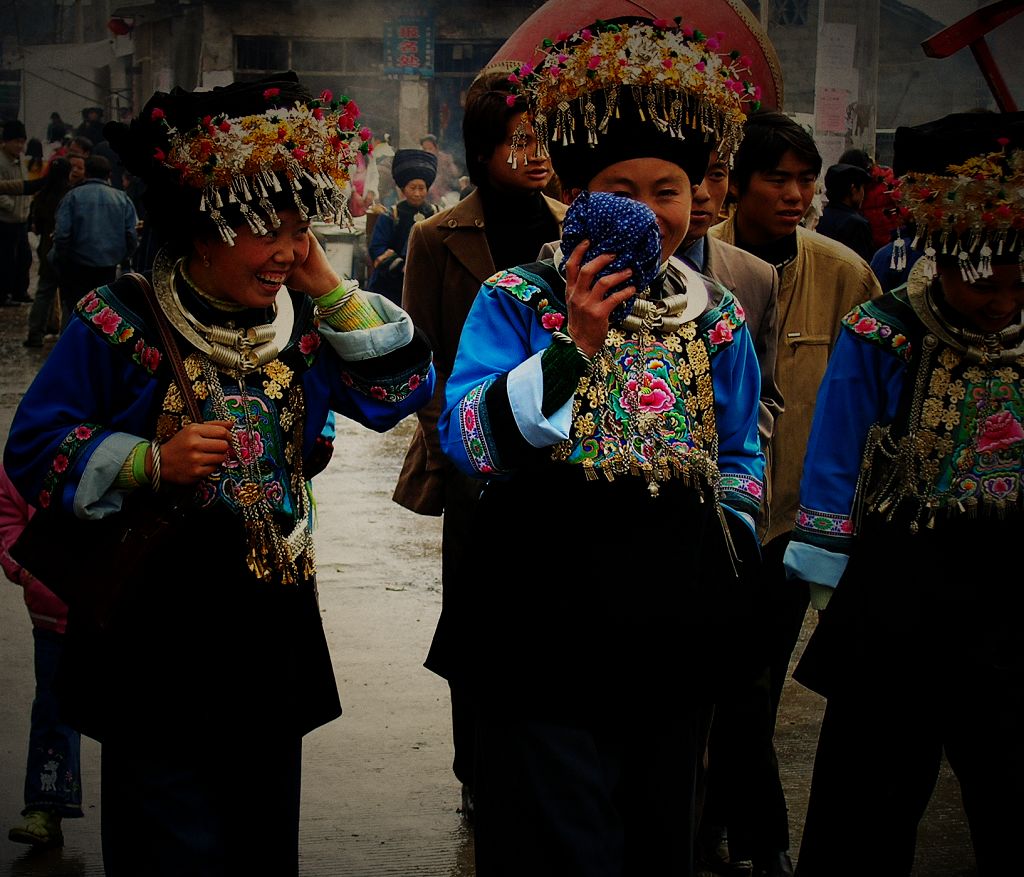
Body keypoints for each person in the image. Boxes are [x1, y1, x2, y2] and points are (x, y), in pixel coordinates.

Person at [2, 72, 434, 876]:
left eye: (299, 227)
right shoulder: (118, 320)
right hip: (153, 638)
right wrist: (145, 461)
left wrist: (332, 289)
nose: (286, 249)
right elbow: (32, 445)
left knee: (262, 845)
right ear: (200, 229)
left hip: (270, 637)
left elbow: (402, 392)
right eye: (264, 228)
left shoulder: (302, 330)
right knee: (165, 845)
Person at [428, 18, 765, 876]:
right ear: (576, 196)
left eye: (670, 190)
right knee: (560, 833)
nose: (651, 212)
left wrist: (726, 537)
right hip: (542, 597)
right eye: (623, 188)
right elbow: (466, 436)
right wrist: (572, 344)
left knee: (661, 827)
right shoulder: (518, 296)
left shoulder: (716, 314)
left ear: (698, 198)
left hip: (672, 601)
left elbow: (741, 448)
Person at [784, 111, 1024, 877]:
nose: (1000, 302)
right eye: (982, 280)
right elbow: (835, 452)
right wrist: (825, 564)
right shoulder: (881, 331)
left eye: (1019, 283)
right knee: (870, 792)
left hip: (1012, 586)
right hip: (901, 584)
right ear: (945, 256)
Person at [705, 110, 882, 876]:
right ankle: (731, 826)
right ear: (736, 183)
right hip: (703, 511)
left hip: (787, 524)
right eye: (777, 177)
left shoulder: (844, 273)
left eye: (805, 178)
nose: (797, 193)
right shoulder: (699, 263)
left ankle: (754, 834)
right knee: (710, 682)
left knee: (754, 682)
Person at [393, 65, 567, 822]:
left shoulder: (577, 223)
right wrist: (445, 446)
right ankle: (476, 764)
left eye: (542, 140)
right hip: (475, 462)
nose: (534, 155)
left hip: (566, 463)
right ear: (484, 147)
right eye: (518, 141)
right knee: (474, 614)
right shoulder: (438, 235)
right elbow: (419, 353)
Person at [1, 465, 83, 849]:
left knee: (129, 715)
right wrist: (24, 568)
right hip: (52, 614)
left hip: (117, 612)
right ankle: (45, 806)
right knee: (53, 710)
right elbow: (7, 513)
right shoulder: (30, 451)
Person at [678, 150, 783, 446]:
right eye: (685, 177)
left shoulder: (757, 277)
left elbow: (764, 399)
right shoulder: (563, 266)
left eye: (716, 175)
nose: (700, 192)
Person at [52, 154, 138, 328]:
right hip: (108, 268)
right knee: (103, 316)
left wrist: (61, 258)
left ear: (87, 173)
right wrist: (124, 257)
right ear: (109, 175)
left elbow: (61, 235)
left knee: (76, 314)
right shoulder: (122, 199)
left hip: (76, 267)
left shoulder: (72, 197)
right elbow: (132, 234)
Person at [366, 148, 439, 304]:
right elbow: (377, 248)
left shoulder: (435, 213)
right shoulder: (392, 215)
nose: (418, 193)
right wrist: (403, 268)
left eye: (422, 188)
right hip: (392, 286)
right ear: (403, 189)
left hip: (426, 285)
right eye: (413, 188)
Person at [24, 157, 73, 347]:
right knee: (68, 296)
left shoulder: (43, 195)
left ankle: (35, 334)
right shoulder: (70, 195)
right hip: (67, 252)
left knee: (44, 293)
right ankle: (66, 338)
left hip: (46, 249)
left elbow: (36, 226)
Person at [0, 119, 33, 306]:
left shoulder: (20, 161)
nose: (19, 145)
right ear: (6, 141)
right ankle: (4, 294)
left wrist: (26, 208)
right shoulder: (1, 162)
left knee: (24, 258)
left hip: (21, 219)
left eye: (22, 141)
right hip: (5, 220)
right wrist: (11, 206)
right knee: (5, 260)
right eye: (16, 141)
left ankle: (20, 291)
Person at [816, 162, 874, 262]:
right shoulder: (857, 224)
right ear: (853, 189)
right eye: (862, 188)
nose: (863, 194)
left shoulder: (819, 217)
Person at [420, 133, 461, 204]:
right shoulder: (421, 161)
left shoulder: (445, 158)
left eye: (430, 148)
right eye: (424, 149)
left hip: (444, 192)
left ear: (436, 148)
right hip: (427, 194)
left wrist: (449, 164)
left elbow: (455, 173)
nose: (427, 151)